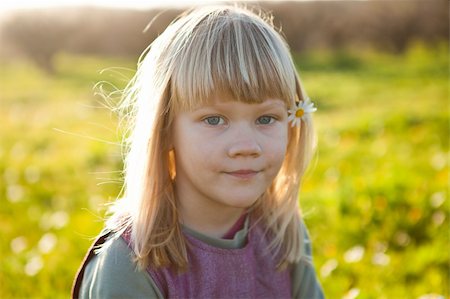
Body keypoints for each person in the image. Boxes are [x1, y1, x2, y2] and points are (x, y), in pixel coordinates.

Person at [72, 5, 324, 299]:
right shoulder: (128, 265)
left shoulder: (283, 232)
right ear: (164, 129)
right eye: (214, 119)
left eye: (266, 118)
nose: (246, 146)